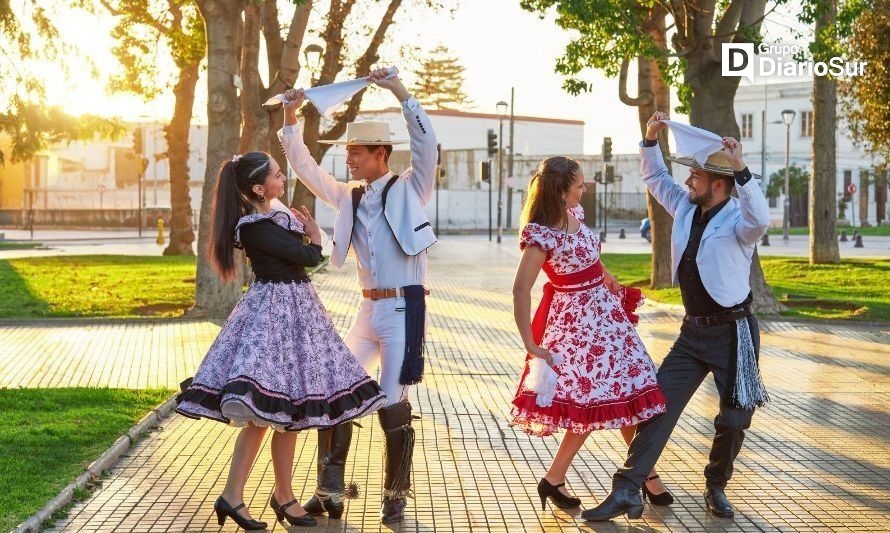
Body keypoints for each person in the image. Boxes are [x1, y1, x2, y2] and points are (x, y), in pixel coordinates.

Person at [175, 152, 386, 530]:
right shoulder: (254, 225)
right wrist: (315, 237)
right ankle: (247, 496)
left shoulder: (272, 214)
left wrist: (305, 234)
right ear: (259, 187)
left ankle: (268, 496)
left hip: (294, 311)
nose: (282, 177)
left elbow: (298, 254)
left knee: (285, 416)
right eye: (276, 174)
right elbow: (305, 256)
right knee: (265, 414)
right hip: (273, 316)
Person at [582, 111, 771, 522]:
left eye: (696, 178)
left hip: (734, 333)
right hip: (692, 335)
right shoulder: (686, 208)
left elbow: (762, 218)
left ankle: (716, 485)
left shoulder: (741, 222)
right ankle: (627, 490)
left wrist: (742, 170)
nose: (688, 182)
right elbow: (656, 181)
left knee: (735, 419)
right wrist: (651, 141)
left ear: (718, 185)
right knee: (656, 407)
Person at [277, 67, 437, 524]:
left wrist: (400, 92)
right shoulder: (347, 195)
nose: (348, 159)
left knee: (391, 401)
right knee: (336, 389)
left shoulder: (411, 188)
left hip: (407, 308)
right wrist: (291, 118)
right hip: (368, 308)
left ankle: (395, 493)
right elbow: (306, 169)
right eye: (347, 151)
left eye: (357, 152)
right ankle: (330, 490)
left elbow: (427, 147)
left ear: (381, 154)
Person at [510, 156, 672, 512]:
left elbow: (589, 256)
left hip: (606, 320)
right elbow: (521, 289)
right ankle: (558, 479)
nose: (584, 189)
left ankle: (642, 474)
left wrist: (607, 275)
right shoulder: (542, 232)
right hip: (576, 330)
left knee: (628, 398)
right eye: (579, 184)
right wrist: (530, 344)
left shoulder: (575, 215)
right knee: (589, 406)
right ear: (561, 188)